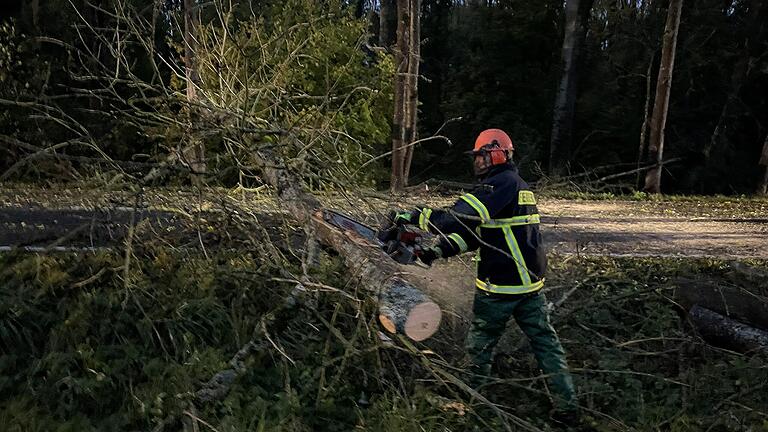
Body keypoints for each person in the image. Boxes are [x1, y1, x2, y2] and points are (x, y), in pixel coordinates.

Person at [390, 129, 578, 424]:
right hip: (530, 286)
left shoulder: (499, 185)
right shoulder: (515, 185)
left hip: (500, 288)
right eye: (476, 157)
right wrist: (433, 253)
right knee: (545, 344)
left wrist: (414, 216)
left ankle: (469, 407)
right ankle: (568, 408)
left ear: (498, 153)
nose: (477, 161)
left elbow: (456, 218)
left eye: (481, 155)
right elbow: (475, 235)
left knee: (480, 347)